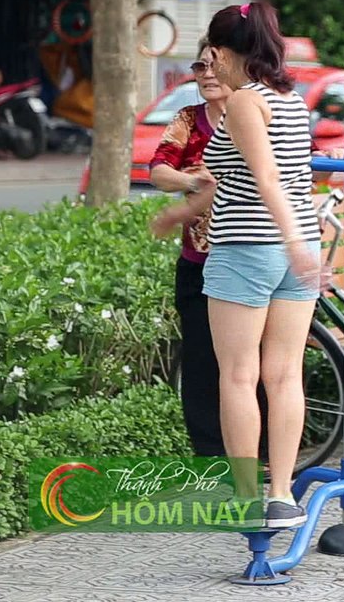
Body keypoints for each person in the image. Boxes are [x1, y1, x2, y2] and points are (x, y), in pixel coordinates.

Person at [153, 2, 321, 528]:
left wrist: (289, 239)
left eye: (212, 57)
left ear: (225, 52)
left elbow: (267, 181)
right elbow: (243, 179)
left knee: (239, 376)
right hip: (295, 252)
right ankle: (281, 494)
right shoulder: (291, 100)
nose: (211, 67)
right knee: (284, 375)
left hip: (249, 249)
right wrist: (182, 211)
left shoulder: (246, 103)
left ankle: (250, 496)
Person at [148, 43, 230, 457]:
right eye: (200, 65)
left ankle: (260, 456)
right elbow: (159, 169)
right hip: (199, 261)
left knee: (252, 364)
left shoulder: (253, 114)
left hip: (246, 257)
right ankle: (210, 457)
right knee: (201, 363)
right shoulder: (188, 119)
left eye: (215, 65)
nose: (207, 73)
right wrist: (193, 183)